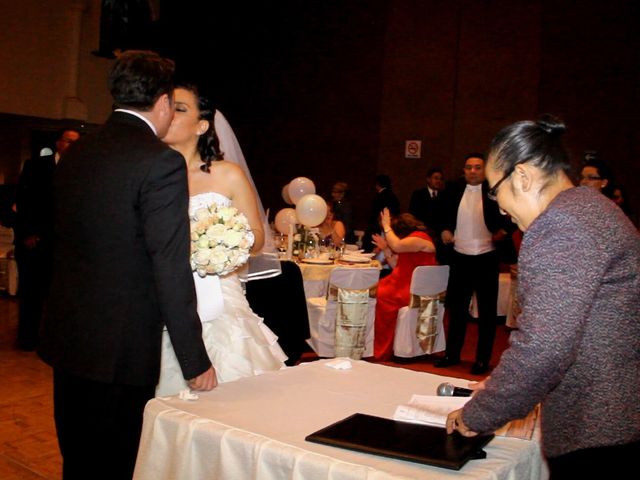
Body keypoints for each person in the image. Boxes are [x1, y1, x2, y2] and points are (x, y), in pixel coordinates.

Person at [38, 51, 216, 480]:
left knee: (77, 458)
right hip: (120, 346)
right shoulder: (160, 163)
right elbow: (168, 264)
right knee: (116, 462)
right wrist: (195, 361)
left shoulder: (76, 153)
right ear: (161, 103)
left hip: (69, 336)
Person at [446, 115, 640, 478]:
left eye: (495, 190)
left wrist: (479, 414)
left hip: (598, 425)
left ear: (522, 177)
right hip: (620, 411)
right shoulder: (591, 207)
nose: (500, 207)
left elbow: (545, 346)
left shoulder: (560, 225)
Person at [156, 82, 287, 396]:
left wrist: (222, 244)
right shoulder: (150, 175)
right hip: (158, 299)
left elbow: (257, 239)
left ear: (202, 125)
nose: (170, 113)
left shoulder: (227, 174)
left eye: (181, 108)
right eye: (167, 105)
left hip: (219, 293)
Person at [435, 154, 512, 375]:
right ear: (463, 170)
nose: (472, 171)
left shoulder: (496, 192)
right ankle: (452, 354)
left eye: (477, 167)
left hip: (487, 257)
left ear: (484, 170)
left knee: (487, 313)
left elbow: (513, 216)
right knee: (456, 310)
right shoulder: (452, 190)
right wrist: (444, 230)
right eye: (468, 167)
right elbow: (438, 214)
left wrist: (505, 231)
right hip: (460, 257)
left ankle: (482, 360)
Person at [14, 128, 79, 351]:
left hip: (62, 246)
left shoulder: (80, 170)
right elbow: (23, 201)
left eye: (75, 143)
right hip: (35, 242)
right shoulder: (36, 166)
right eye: (68, 141)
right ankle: (27, 339)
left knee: (58, 297)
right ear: (58, 143)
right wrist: (27, 233)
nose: (71, 146)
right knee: (31, 294)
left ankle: (53, 341)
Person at [372, 209, 437, 361]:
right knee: (373, 291)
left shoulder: (420, 238)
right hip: (405, 283)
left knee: (379, 295)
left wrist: (386, 226)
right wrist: (386, 248)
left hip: (413, 288)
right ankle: (376, 342)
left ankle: (382, 346)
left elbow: (398, 246)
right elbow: (397, 265)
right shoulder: (410, 243)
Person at [363, 174, 400, 252]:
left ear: (377, 185)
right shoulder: (394, 197)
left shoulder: (378, 197)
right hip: (393, 230)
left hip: (377, 230)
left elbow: (372, 215)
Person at [409, 166, 444, 233]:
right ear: (428, 179)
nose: (439, 181)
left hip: (439, 234)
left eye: (441, 179)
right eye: (436, 178)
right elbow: (412, 213)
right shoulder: (418, 194)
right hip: (422, 232)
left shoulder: (444, 195)